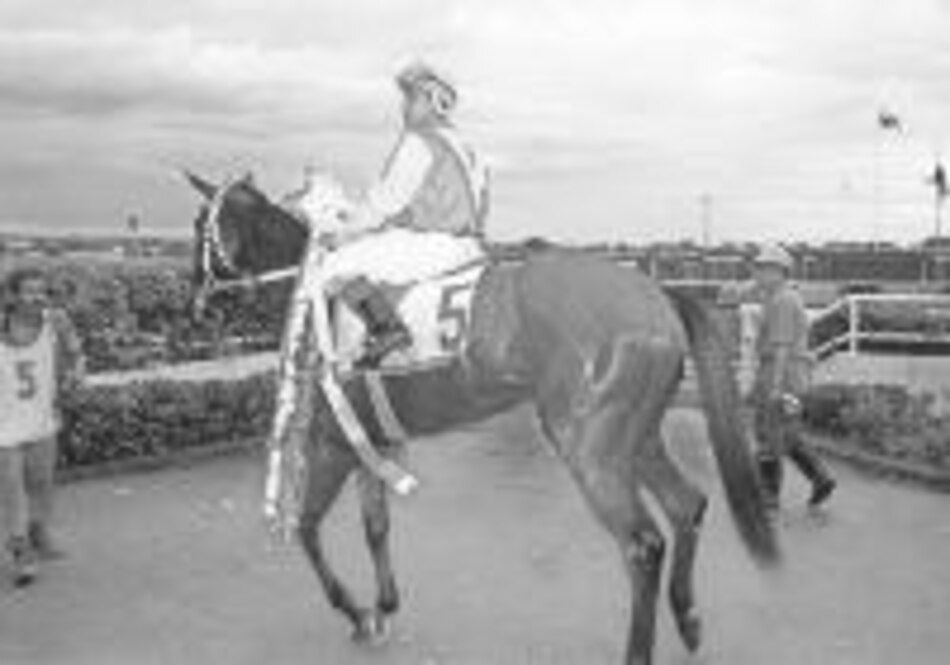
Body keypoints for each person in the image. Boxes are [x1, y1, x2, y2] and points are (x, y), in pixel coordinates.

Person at [311, 60, 490, 368]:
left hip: (430, 245)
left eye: (411, 99)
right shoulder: (470, 147)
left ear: (435, 101)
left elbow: (383, 203)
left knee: (330, 266)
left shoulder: (419, 141)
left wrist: (342, 234)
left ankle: (386, 332)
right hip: (470, 247)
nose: (404, 108)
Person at [0, 267, 85, 586]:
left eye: (41, 291)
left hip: (41, 420)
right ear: (11, 295)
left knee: (41, 485)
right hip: (3, 426)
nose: (37, 297)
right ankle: (20, 550)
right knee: (12, 491)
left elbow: (76, 353)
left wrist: (76, 371)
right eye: (29, 291)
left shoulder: (56, 322)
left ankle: (38, 533)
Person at [750, 243, 836, 510]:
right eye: (758, 268)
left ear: (781, 272)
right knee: (786, 434)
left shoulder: (783, 301)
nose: (759, 274)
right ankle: (820, 478)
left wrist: (774, 386)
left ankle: (769, 494)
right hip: (785, 373)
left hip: (781, 374)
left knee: (769, 434)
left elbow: (782, 347)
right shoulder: (781, 298)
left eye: (765, 269)